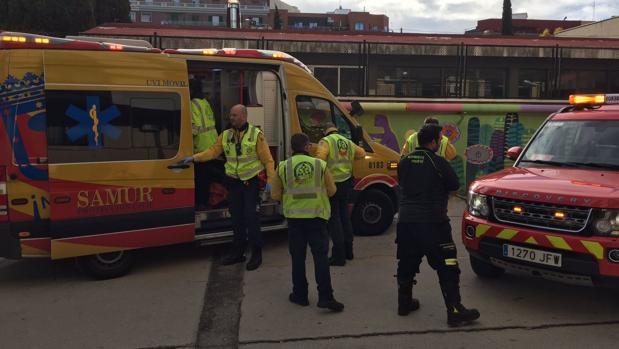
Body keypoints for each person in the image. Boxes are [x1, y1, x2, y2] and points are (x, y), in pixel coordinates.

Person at [396, 124, 480, 326]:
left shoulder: (404, 161)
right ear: (433, 142)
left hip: (406, 222)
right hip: (434, 223)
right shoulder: (438, 162)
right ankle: (454, 310)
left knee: (406, 263)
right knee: (448, 265)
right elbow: (454, 185)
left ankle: (404, 304)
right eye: (439, 139)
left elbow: (402, 182)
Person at [185, 104, 275, 271]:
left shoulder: (256, 135)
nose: (231, 118)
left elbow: (268, 160)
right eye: (230, 115)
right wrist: (194, 158)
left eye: (234, 115)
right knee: (237, 219)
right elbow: (212, 152)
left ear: (244, 116)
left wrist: (270, 180)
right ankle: (238, 252)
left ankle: (256, 253)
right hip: (233, 184)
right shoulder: (226, 135)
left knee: (251, 218)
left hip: (250, 183)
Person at [271, 133, 344, 312]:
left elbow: (274, 195)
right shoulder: (320, 165)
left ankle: (300, 295)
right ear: (306, 146)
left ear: (291, 147)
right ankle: (326, 297)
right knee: (320, 258)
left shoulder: (282, 166)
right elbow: (332, 190)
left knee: (298, 258)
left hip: (294, 220)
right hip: (317, 218)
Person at [315, 123, 366, 266]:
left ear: (326, 132)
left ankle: (339, 256)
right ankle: (349, 251)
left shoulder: (326, 142)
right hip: (346, 183)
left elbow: (319, 161)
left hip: (333, 185)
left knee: (334, 220)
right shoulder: (347, 142)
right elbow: (362, 153)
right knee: (345, 217)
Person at [189, 78, 222, 209]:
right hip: (211, 145)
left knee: (200, 180)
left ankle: (201, 204)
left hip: (200, 147)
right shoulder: (205, 102)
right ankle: (208, 201)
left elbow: (194, 129)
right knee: (207, 179)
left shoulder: (192, 104)